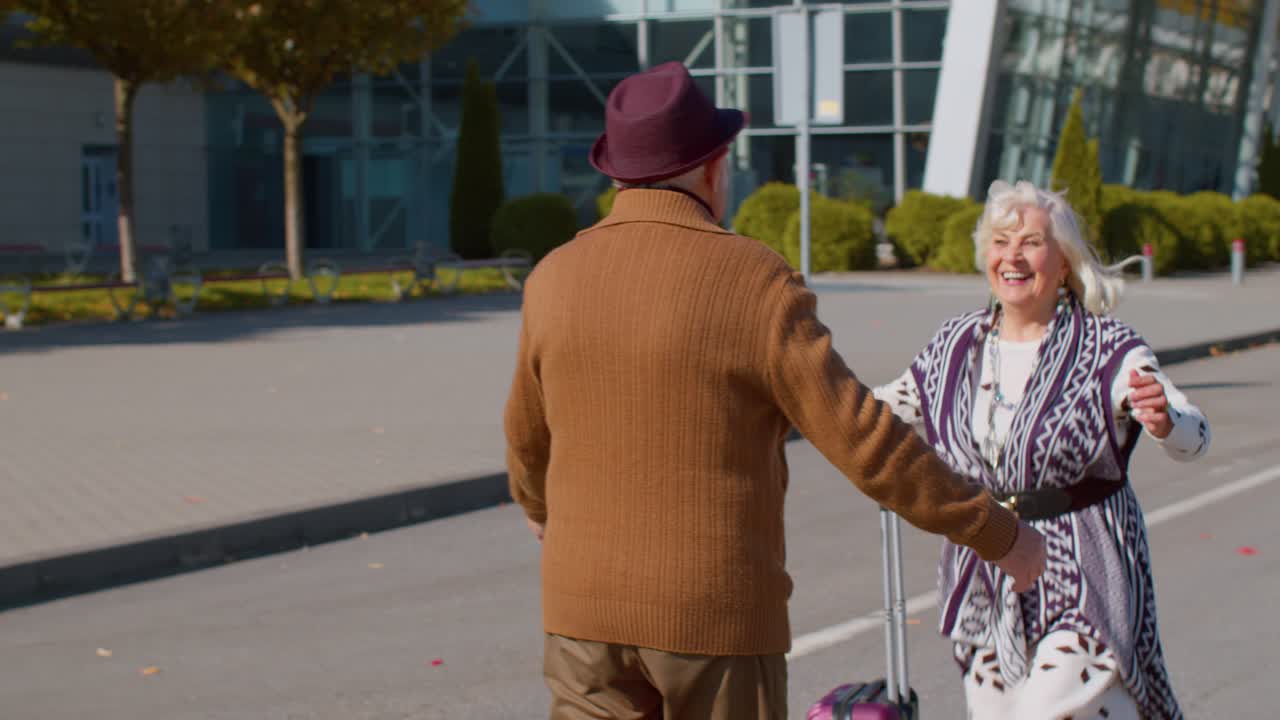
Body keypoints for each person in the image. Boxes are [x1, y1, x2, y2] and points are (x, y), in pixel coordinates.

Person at [503, 61, 1047, 720]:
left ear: (615, 175)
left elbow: (528, 439)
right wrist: (996, 532)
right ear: (715, 166)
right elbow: (864, 441)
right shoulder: (752, 280)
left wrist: (538, 507)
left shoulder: (552, 279)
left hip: (578, 612)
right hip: (715, 622)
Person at [873, 180, 1211, 720]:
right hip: (987, 562)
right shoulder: (955, 346)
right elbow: (874, 412)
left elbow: (1195, 437)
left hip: (1083, 565)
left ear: (1064, 263)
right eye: (1001, 240)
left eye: (1030, 242)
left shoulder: (1109, 349)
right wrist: (786, 393)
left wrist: (1165, 421)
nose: (1012, 255)